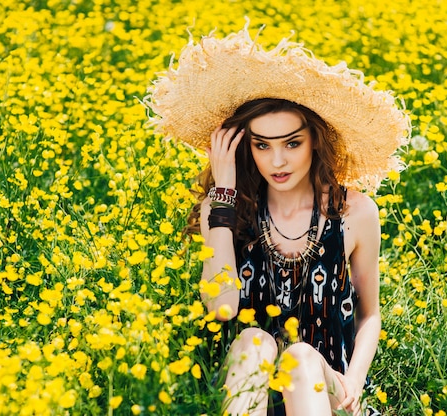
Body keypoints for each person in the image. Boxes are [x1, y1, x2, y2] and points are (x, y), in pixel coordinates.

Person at [146, 23, 410, 416]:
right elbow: (221, 308)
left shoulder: (356, 213)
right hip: (246, 382)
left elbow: (370, 314)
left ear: (315, 140)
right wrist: (224, 193)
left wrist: (353, 381)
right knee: (254, 340)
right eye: (261, 145)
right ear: (243, 147)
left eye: (292, 143)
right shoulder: (223, 211)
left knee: (300, 358)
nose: (278, 161)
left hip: (324, 384)